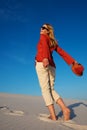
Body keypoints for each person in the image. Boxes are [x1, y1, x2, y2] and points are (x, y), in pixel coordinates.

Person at [35, 23, 76, 121]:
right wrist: (73, 61)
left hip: (42, 63)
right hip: (52, 66)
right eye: (41, 27)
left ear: (47, 31)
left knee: (45, 90)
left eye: (44, 27)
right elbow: (62, 52)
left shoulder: (43, 37)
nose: (41, 29)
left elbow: (44, 46)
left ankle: (53, 116)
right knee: (51, 89)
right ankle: (65, 109)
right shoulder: (53, 41)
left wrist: (45, 57)